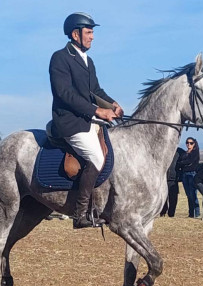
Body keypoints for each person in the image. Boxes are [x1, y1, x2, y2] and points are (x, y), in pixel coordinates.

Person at [50, 12, 124, 228]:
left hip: (88, 119)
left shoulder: (88, 61)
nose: (92, 37)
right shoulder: (60, 58)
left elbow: (96, 90)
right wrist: (97, 111)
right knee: (97, 157)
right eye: (89, 32)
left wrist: (112, 105)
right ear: (75, 34)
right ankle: (80, 214)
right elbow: (64, 94)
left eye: (92, 32)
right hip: (70, 121)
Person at [178, 137, 201, 218]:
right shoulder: (185, 153)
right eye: (187, 143)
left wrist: (182, 163)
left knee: (193, 194)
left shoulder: (195, 153)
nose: (189, 144)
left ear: (194, 144)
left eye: (191, 143)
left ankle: (197, 213)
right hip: (184, 174)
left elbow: (189, 161)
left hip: (192, 174)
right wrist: (183, 163)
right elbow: (180, 162)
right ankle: (191, 213)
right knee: (188, 194)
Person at [160, 148, 184, 218]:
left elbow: (183, 163)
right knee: (163, 197)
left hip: (173, 178)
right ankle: (162, 212)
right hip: (163, 178)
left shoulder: (179, 152)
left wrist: (179, 174)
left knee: (173, 197)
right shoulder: (164, 149)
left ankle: (171, 213)